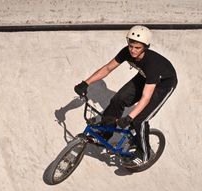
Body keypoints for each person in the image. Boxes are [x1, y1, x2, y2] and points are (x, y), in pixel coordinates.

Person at [74, 25, 177, 167]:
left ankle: (144, 154)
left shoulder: (152, 65)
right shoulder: (126, 52)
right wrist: (85, 83)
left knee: (139, 120)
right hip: (144, 77)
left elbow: (146, 97)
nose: (133, 51)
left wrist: (130, 117)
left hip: (163, 84)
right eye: (131, 46)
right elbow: (107, 68)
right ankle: (105, 134)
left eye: (137, 48)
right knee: (118, 99)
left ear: (145, 47)